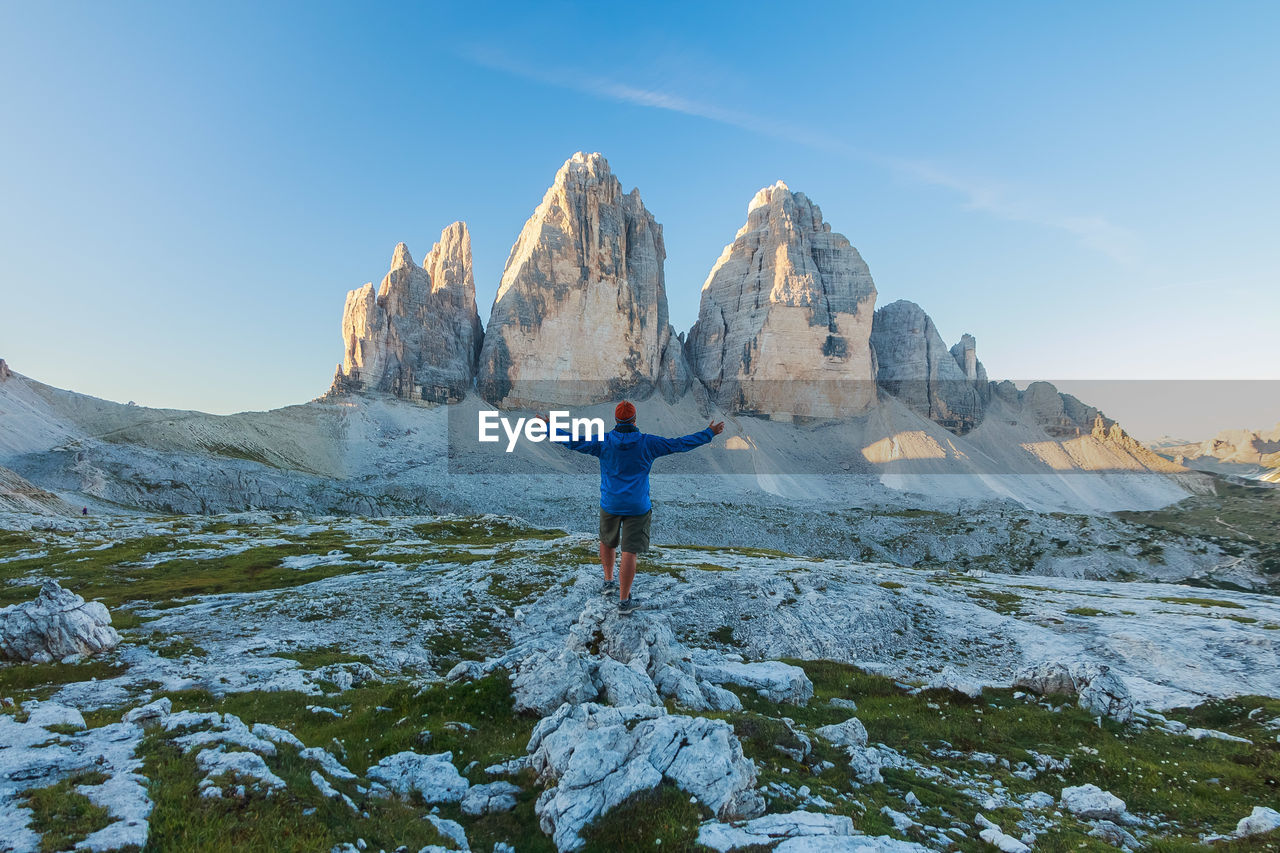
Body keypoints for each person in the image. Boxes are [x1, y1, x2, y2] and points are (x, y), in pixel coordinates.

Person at [546, 401, 724, 614]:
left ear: (616, 420)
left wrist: (549, 428)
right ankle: (624, 601)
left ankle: (608, 581)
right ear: (634, 420)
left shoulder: (603, 441)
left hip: (610, 502)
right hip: (638, 505)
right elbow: (679, 444)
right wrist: (709, 433)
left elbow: (574, 441)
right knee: (629, 551)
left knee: (607, 540)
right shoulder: (647, 443)